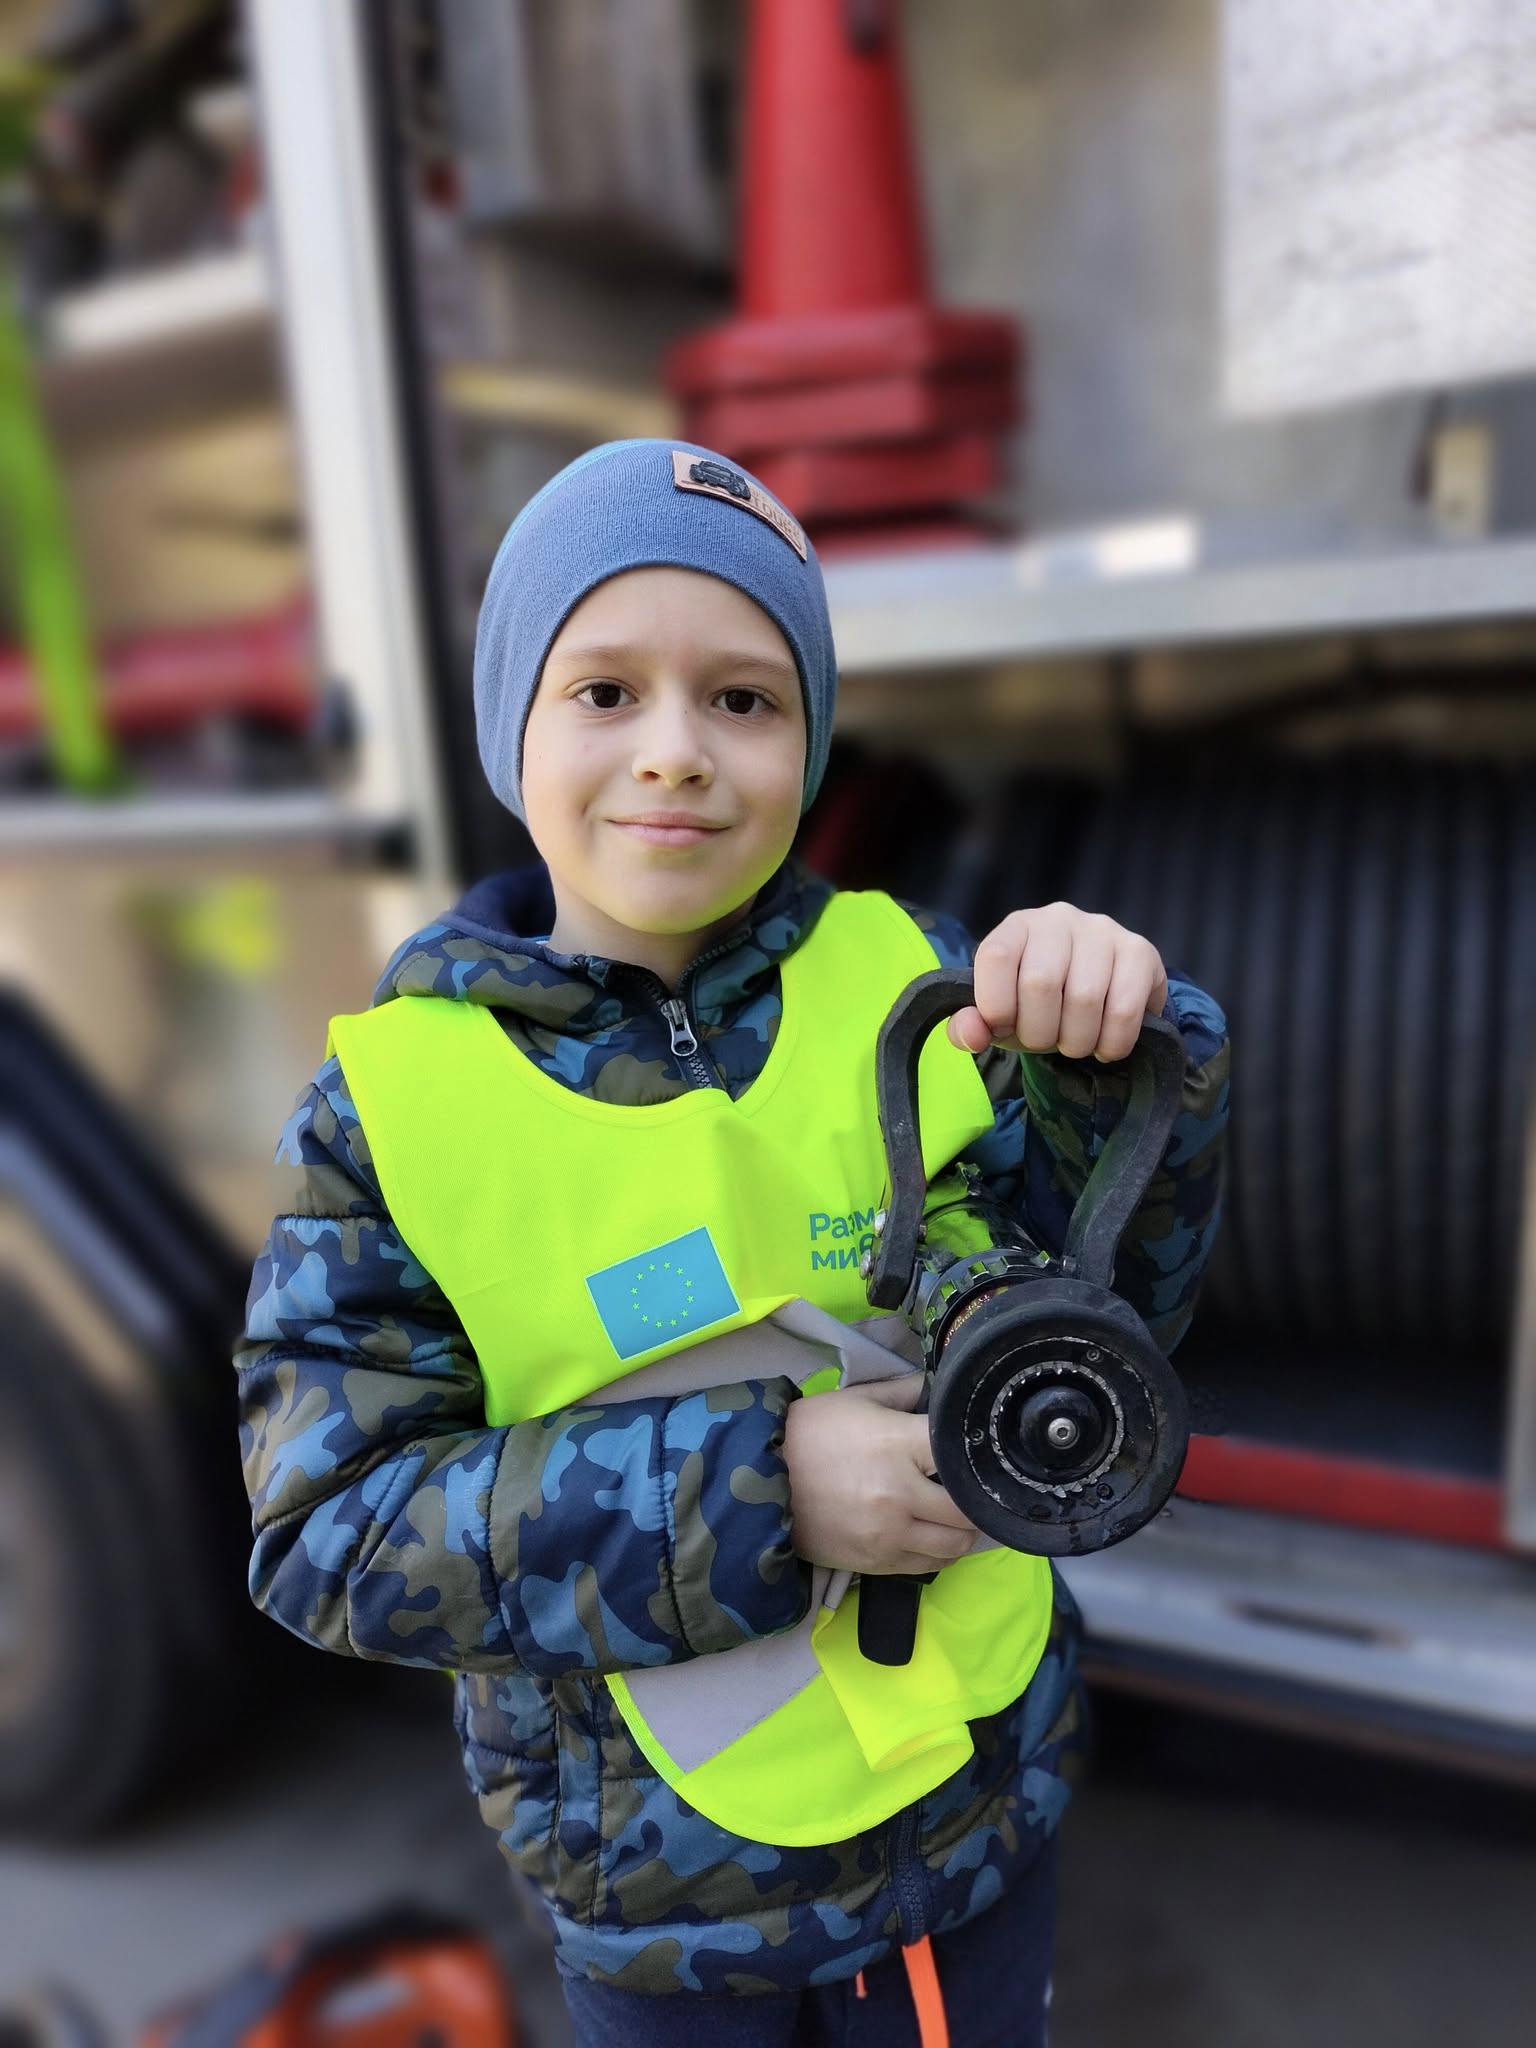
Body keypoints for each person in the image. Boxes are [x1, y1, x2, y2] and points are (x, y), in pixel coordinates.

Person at [236, 438, 1229, 2047]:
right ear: (510, 730)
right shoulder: (389, 1114)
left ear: (811, 745)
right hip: (661, 1914)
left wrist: (1113, 1067)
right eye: (604, 691)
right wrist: (764, 1490)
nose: (677, 754)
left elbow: (1111, 1321)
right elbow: (328, 1532)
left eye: (745, 699)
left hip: (969, 1831)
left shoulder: (916, 984)